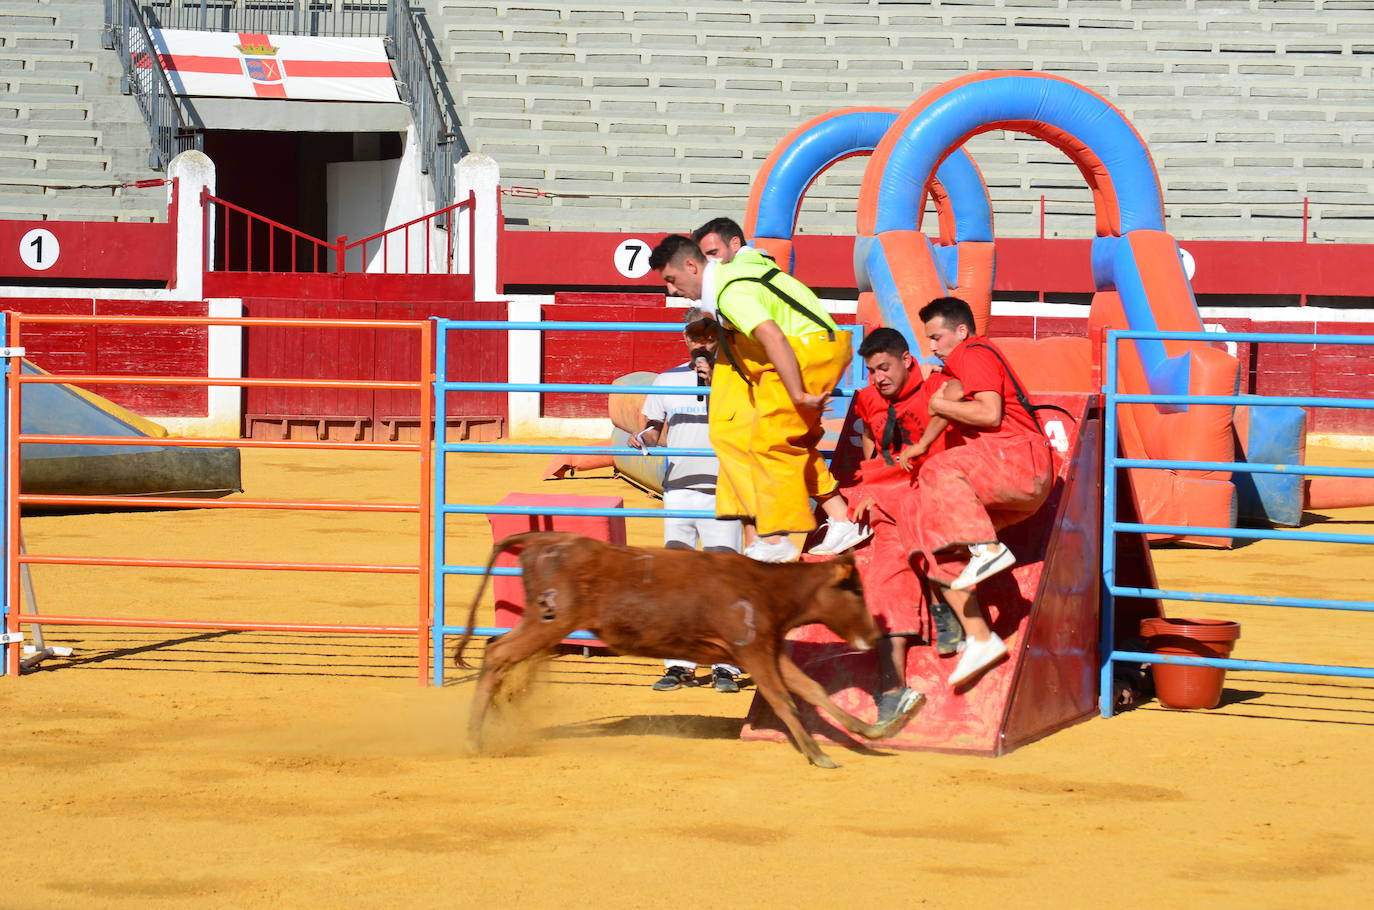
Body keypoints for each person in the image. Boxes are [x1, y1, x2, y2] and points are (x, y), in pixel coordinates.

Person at [648, 234, 867, 563]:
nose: (671, 290)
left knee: (772, 441)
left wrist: (797, 394)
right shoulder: (726, 283)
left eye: (671, 279)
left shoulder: (730, 291)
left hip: (807, 350)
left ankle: (776, 538)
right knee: (729, 434)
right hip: (780, 356)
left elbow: (773, 336)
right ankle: (837, 518)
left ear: (691, 266)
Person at [911, 296, 1055, 689]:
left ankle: (987, 549)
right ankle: (980, 638)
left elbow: (990, 413)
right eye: (928, 339)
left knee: (943, 468)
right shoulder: (955, 370)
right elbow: (948, 407)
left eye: (936, 337)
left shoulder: (973, 351)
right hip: (1005, 475)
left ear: (960, 331)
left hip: (1020, 462)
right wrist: (923, 443)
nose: (932, 346)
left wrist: (936, 412)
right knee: (938, 544)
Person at [842, 328, 964, 724]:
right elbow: (873, 450)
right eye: (872, 369)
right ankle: (894, 693)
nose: (878, 377)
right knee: (882, 590)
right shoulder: (866, 399)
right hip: (890, 502)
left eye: (885, 367)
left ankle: (943, 601)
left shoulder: (938, 386)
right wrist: (868, 488)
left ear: (907, 359)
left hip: (933, 493)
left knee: (926, 535)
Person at [630, 336, 744, 694]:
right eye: (696, 335)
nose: (702, 343)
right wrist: (644, 436)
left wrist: (715, 381)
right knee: (677, 579)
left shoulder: (738, 378)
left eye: (710, 334)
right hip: (678, 487)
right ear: (686, 338)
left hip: (723, 487)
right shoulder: (666, 380)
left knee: (725, 581)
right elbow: (656, 426)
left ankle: (727, 663)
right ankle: (680, 663)